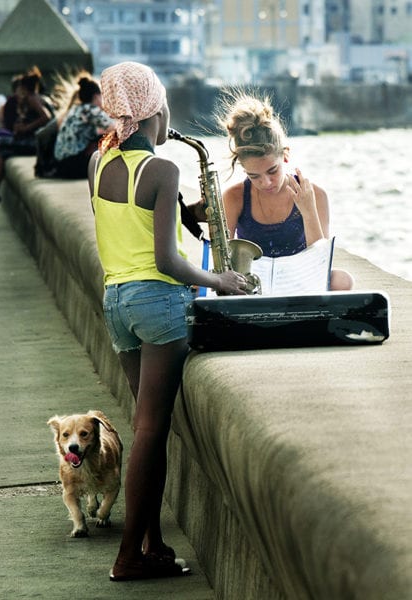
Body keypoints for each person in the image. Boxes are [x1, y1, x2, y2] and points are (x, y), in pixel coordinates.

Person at [88, 61, 246, 581]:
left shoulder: (99, 162)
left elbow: (128, 225)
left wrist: (183, 214)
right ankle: (130, 555)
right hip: (159, 302)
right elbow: (165, 263)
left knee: (145, 427)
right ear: (155, 108)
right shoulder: (162, 169)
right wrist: (218, 280)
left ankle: (152, 544)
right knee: (152, 432)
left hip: (116, 303)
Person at [218, 91, 354, 291]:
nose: (265, 182)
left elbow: (320, 264)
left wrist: (308, 210)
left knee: (342, 280)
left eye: (272, 170)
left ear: (286, 156)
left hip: (300, 284)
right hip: (253, 287)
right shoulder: (235, 196)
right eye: (254, 176)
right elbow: (221, 261)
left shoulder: (315, 194)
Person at [0, 72, 51, 206]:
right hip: (36, 142)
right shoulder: (30, 99)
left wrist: (26, 128)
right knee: (5, 151)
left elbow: (46, 117)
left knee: (2, 143)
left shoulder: (32, 98)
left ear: (24, 88)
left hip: (36, 144)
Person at [54, 76, 114, 179]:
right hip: (74, 167)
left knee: (99, 138)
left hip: (61, 166)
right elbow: (116, 128)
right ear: (96, 96)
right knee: (110, 137)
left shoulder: (75, 109)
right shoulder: (90, 109)